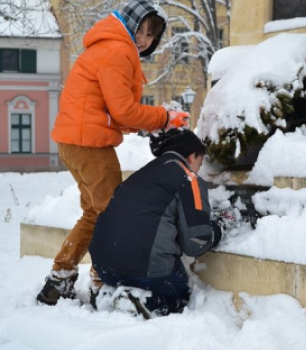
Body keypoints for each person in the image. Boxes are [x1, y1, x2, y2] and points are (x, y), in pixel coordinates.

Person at [37, 0, 190, 306]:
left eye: (152, 34)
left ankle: (60, 278)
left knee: (96, 213)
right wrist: (164, 118)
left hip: (74, 142)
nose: (145, 39)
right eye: (142, 30)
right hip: (90, 143)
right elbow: (124, 110)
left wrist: (151, 124)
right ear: (130, 24)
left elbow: (116, 112)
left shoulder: (109, 45)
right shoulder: (118, 51)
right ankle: (102, 282)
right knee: (112, 214)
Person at [89, 129, 222, 317]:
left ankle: (109, 294)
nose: (199, 170)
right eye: (200, 164)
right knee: (180, 293)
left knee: (130, 271)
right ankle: (147, 303)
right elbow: (196, 243)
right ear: (192, 156)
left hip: (104, 268)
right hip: (149, 274)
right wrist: (218, 229)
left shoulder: (141, 175)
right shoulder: (188, 178)